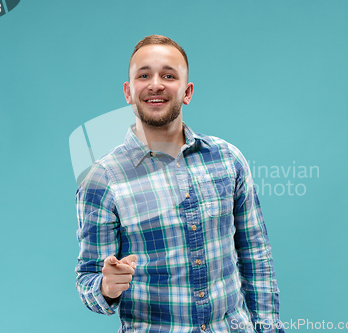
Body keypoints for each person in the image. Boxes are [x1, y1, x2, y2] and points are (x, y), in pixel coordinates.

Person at [75, 35, 284, 332]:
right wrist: (107, 286)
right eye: (144, 75)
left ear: (187, 92)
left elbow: (256, 257)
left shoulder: (228, 159)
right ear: (128, 91)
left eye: (168, 75)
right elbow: (88, 279)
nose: (156, 84)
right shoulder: (102, 179)